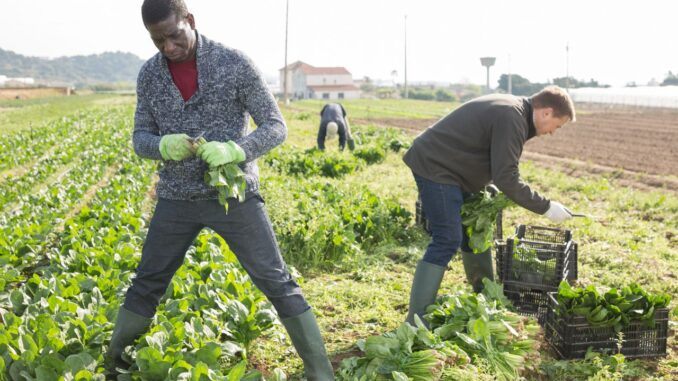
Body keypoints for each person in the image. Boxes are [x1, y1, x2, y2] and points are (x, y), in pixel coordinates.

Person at [104, 1, 334, 379]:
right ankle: (112, 365)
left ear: (190, 21)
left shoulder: (234, 63)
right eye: (157, 40)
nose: (168, 48)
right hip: (176, 199)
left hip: (234, 198)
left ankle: (321, 372)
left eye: (174, 36)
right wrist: (162, 145)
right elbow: (140, 138)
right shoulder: (149, 75)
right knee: (148, 281)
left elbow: (275, 126)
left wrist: (237, 149)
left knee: (276, 280)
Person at [402, 86, 576, 325]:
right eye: (557, 126)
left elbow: (493, 156)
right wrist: (546, 207)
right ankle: (416, 319)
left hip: (451, 167)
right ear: (546, 112)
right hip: (437, 167)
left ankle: (484, 297)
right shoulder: (512, 117)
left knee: (475, 229)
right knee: (447, 239)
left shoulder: (515, 112)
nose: (553, 133)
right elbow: (507, 177)